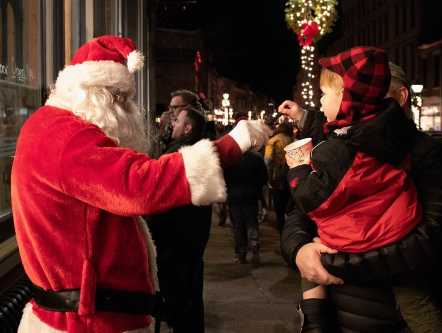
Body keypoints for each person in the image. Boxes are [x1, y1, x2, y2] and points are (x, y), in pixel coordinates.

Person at [12, 35, 271, 333]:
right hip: (86, 322)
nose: (126, 109)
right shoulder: (66, 135)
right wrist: (232, 144)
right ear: (91, 93)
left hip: (89, 314)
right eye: (118, 98)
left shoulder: (53, 127)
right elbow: (138, 184)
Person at [279, 52, 442, 332]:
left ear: (400, 97)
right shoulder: (339, 148)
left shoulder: (433, 156)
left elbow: (428, 242)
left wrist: (333, 262)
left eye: (378, 95)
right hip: (337, 315)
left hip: (398, 319)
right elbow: (300, 211)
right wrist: (299, 249)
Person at [147, 104, 211, 332]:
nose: (172, 124)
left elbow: (162, 203)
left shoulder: (180, 157)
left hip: (175, 247)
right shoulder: (191, 152)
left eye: (177, 120)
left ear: (188, 128)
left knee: (182, 308)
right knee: (189, 306)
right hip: (186, 247)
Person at [224, 116, 269, 265]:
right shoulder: (256, 158)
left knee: (238, 224)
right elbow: (263, 177)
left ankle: (240, 253)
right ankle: (254, 244)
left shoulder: (231, 157)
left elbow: (225, 176)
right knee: (251, 221)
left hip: (234, 195)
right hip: (251, 194)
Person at [264, 122, 294, 233]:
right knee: (289, 204)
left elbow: (267, 161)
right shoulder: (293, 141)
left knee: (279, 207)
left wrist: (267, 177)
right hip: (292, 175)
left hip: (277, 177)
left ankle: (282, 231)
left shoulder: (273, 141)